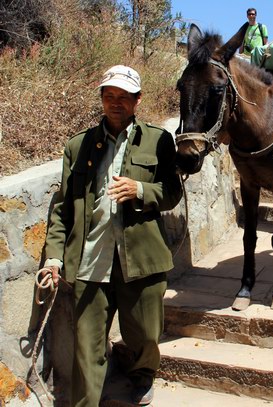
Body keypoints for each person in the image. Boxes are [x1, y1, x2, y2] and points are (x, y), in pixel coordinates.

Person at [42, 65, 183, 406]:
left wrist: (140, 189)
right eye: (109, 96)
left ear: (137, 100)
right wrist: (54, 255)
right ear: (102, 99)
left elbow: (172, 192)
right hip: (91, 261)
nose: (115, 103)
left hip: (141, 258)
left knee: (146, 335)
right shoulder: (78, 147)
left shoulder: (158, 140)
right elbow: (63, 208)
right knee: (86, 348)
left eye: (123, 97)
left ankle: (142, 374)